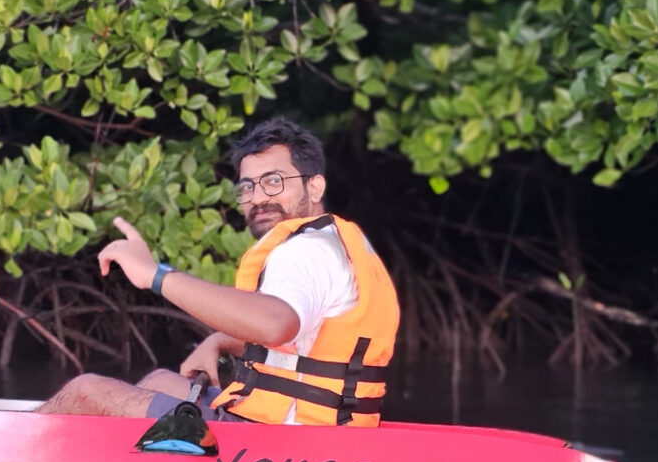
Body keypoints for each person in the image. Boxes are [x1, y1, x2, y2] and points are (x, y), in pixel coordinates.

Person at [37, 118, 399, 426]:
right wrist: (220, 340)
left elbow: (277, 325)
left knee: (84, 393)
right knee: (160, 381)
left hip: (283, 444)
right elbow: (307, 339)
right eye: (247, 187)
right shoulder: (334, 241)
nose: (258, 198)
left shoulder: (304, 250)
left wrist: (156, 275)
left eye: (274, 181)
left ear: (314, 185)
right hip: (328, 431)